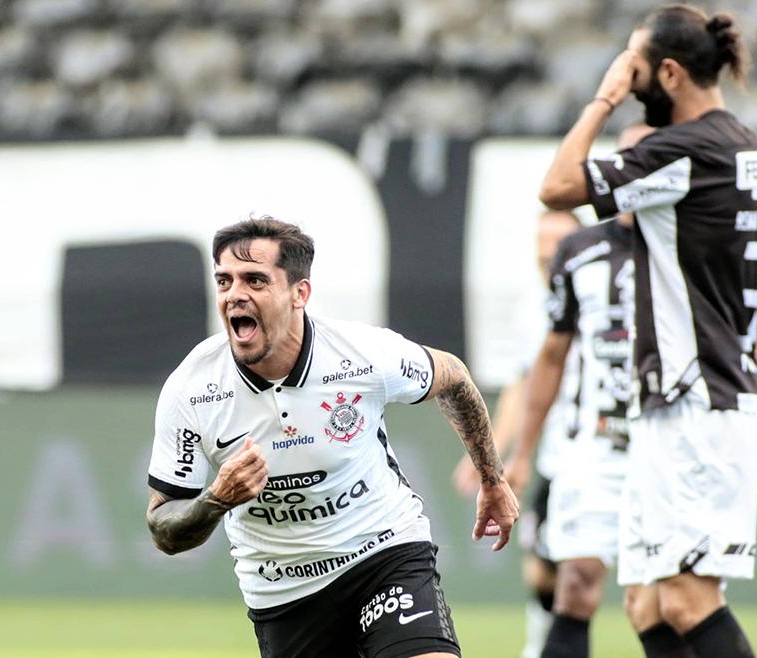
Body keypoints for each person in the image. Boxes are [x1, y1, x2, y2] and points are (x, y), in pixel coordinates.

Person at [144, 217, 519, 658]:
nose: (235, 294)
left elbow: (453, 377)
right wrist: (216, 499)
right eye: (224, 280)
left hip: (382, 551)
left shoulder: (362, 355)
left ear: (299, 293)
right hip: (284, 592)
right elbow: (163, 530)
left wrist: (492, 479)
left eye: (255, 280)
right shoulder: (192, 388)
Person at [538, 5, 757, 658]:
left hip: (696, 399)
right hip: (688, 399)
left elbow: (557, 187)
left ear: (668, 73)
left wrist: (602, 98)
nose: (629, 81)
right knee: (646, 603)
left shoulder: (686, 151)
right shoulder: (749, 151)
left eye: (636, 68)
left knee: (687, 599)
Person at [505, 123, 652, 658]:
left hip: (669, 445)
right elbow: (544, 362)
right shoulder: (582, 252)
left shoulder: (695, 247)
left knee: (666, 603)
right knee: (571, 582)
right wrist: (520, 452)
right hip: (588, 449)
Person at [451, 210, 583, 658]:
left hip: (601, 453)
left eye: (559, 241)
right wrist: (494, 454)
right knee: (543, 571)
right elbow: (521, 385)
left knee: (588, 573)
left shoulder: (601, 298)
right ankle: (541, 642)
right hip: (555, 456)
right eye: (542, 241)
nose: (548, 251)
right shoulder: (531, 306)